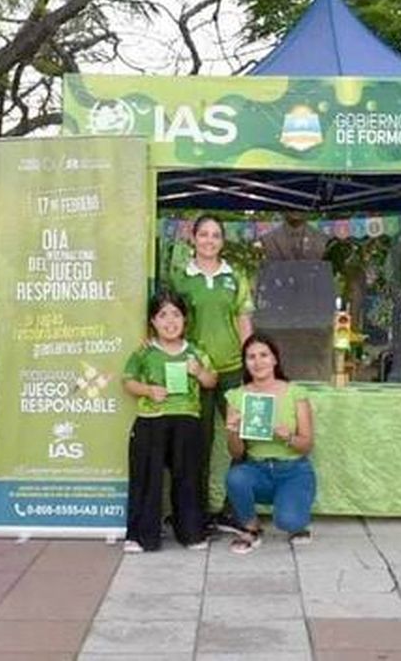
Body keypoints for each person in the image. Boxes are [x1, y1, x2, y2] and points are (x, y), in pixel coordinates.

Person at [167, 214, 253, 531]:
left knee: (242, 440)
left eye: (216, 235)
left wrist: (251, 365)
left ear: (223, 241)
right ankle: (196, 514)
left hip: (232, 369)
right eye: (203, 234)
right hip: (194, 372)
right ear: (193, 238)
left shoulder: (236, 277)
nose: (209, 240)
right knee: (195, 445)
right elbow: (169, 323)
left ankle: (234, 510)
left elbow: (244, 322)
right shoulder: (180, 278)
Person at [121, 290, 218, 552]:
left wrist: (198, 372)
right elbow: (127, 381)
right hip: (151, 419)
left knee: (188, 477)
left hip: (187, 419)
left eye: (176, 314)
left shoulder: (196, 351)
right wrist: (148, 391)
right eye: (162, 315)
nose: (170, 321)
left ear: (185, 320)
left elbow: (212, 381)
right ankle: (141, 536)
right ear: (152, 321)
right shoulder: (144, 352)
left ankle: (191, 533)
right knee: (146, 478)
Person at [223, 332, 315, 554]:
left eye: (264, 355)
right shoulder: (237, 396)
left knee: (288, 522)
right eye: (251, 357)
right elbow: (236, 454)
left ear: (275, 359)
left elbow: (307, 444)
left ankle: (294, 513)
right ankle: (251, 526)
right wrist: (233, 432)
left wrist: (289, 437)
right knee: (235, 477)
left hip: (293, 470)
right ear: (245, 363)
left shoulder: (295, 393)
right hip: (257, 469)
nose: (258, 362)